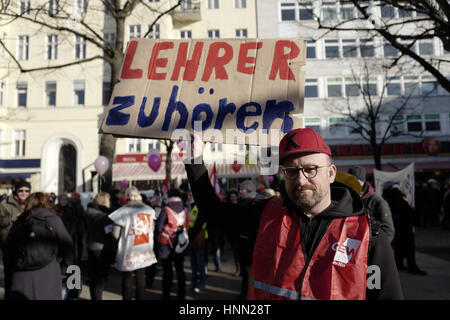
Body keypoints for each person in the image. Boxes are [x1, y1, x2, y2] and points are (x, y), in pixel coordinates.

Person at [185, 128, 403, 300]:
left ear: (331, 173)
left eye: (310, 169)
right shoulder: (267, 216)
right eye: (291, 171)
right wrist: (194, 159)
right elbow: (213, 212)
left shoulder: (368, 236)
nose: (300, 180)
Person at [4, 192, 73, 300]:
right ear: (47, 204)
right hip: (49, 272)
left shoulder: (20, 222)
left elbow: (8, 250)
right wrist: (64, 267)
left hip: (21, 275)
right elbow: (67, 245)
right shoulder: (53, 219)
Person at [109, 186, 158, 300]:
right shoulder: (149, 210)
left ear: (127, 197)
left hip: (129, 249)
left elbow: (115, 234)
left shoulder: (122, 212)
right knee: (141, 277)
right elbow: (152, 229)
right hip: (144, 248)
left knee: (127, 279)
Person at [383, 184, 426, 275]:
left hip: (398, 231)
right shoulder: (401, 204)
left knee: (399, 249)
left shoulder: (390, 203)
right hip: (405, 231)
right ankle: (411, 266)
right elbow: (411, 215)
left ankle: (399, 264)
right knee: (408, 250)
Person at [156, 188, 189, 300]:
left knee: (167, 271)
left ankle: (166, 295)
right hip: (180, 244)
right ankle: (181, 295)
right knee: (180, 270)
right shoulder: (185, 209)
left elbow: (159, 227)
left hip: (166, 244)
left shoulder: (166, 209)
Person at [0, 179, 31, 298]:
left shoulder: (31, 203)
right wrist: (13, 218)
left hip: (28, 246)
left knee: (24, 277)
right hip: (9, 245)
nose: (24, 193)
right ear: (16, 191)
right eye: (21, 190)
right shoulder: (4, 204)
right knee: (10, 277)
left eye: (27, 191)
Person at [348, 166, 395, 243]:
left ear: (362, 182)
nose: (351, 183)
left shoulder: (377, 201)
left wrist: (372, 248)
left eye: (355, 180)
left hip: (369, 248)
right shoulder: (347, 198)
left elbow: (388, 231)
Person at [84, 192, 115, 300]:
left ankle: (95, 297)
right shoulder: (103, 216)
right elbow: (110, 234)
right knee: (100, 278)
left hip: (90, 246)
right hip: (102, 249)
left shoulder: (87, 212)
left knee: (94, 277)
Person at [236, 179, 257, 299]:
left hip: (250, 245)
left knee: (250, 274)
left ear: (248, 191)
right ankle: (244, 293)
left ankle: (247, 295)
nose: (240, 191)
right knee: (245, 273)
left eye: (242, 189)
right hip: (242, 244)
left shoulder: (253, 204)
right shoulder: (243, 203)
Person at [187, 203, 208, 293]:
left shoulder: (202, 207)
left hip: (198, 238)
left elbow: (199, 223)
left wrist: (190, 235)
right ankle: (194, 282)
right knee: (194, 263)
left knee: (200, 263)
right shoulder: (193, 206)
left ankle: (201, 284)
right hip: (193, 237)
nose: (189, 196)